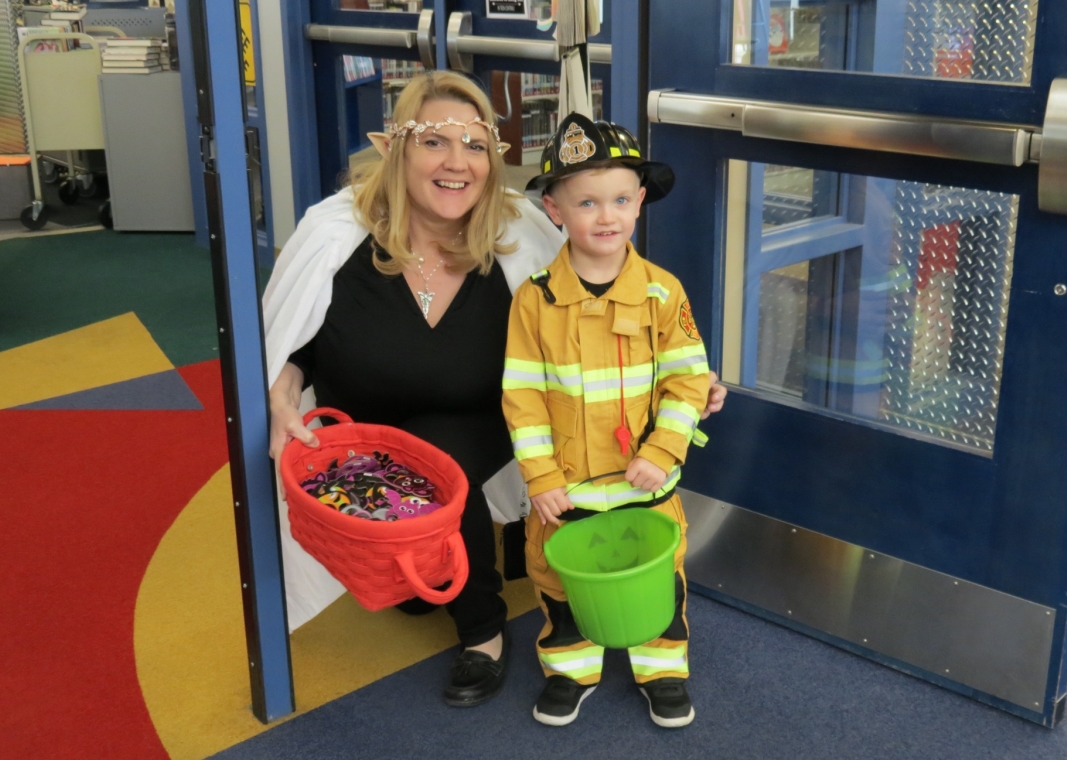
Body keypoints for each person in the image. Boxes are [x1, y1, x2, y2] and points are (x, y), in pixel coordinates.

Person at [263, 71, 728, 708]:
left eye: (475, 145)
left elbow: (603, 328)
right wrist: (282, 393)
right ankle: (419, 562)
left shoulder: (518, 240)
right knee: (409, 575)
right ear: (398, 149)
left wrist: (682, 380)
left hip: (486, 421)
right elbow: (299, 342)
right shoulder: (337, 237)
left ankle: (482, 631)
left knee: (439, 462)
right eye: (434, 142)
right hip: (369, 434)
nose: (457, 162)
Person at [502, 114, 709, 728]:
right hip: (566, 490)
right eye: (587, 201)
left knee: (659, 585)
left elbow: (688, 379)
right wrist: (539, 477)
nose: (606, 216)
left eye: (620, 199)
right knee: (560, 588)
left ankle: (663, 667)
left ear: (641, 202)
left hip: (645, 482)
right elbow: (523, 395)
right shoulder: (534, 300)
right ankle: (570, 669)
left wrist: (665, 451)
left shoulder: (663, 293)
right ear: (554, 210)